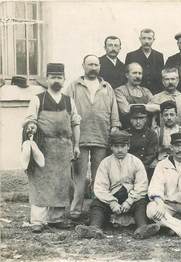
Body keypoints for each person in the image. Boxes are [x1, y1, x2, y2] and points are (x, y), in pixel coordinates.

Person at [24, 63, 81, 233]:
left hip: (64, 147)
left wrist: (76, 145)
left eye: (59, 77)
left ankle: (56, 219)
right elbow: (30, 119)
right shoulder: (38, 99)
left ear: (64, 80)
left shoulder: (68, 101)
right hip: (43, 147)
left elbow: (76, 123)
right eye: (53, 77)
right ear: (47, 79)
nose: (56, 80)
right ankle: (38, 220)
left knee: (62, 183)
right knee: (40, 183)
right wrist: (31, 126)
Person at [75, 130, 160, 239]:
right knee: (97, 204)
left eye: (123, 146)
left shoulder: (136, 162)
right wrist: (111, 202)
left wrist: (129, 201)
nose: (119, 150)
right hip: (112, 197)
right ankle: (94, 228)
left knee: (142, 202)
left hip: (131, 197)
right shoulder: (105, 163)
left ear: (128, 146)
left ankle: (143, 228)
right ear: (111, 147)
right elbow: (100, 187)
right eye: (116, 146)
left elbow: (141, 185)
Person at [66, 54, 121, 220]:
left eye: (96, 65)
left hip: (101, 136)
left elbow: (114, 110)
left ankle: (97, 212)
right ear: (83, 66)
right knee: (79, 177)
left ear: (99, 67)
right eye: (90, 64)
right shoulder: (74, 86)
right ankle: (75, 211)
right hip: (80, 138)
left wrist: (115, 126)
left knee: (100, 178)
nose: (93, 67)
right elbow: (67, 109)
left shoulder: (106, 86)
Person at [125, 28, 164, 95]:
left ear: (153, 40)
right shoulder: (131, 56)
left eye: (149, 38)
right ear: (140, 39)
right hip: (136, 93)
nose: (146, 41)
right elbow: (127, 77)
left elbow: (161, 77)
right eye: (144, 38)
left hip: (156, 93)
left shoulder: (159, 56)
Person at [114, 62, 153, 128]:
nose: (137, 76)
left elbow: (157, 107)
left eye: (140, 73)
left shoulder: (146, 91)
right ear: (127, 75)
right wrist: (147, 107)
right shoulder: (120, 91)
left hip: (146, 131)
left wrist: (132, 106)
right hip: (127, 131)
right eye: (134, 73)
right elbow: (125, 109)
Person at [127, 105, 158, 180]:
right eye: (135, 118)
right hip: (128, 168)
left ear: (146, 119)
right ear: (130, 119)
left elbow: (151, 154)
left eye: (141, 118)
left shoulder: (151, 134)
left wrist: (140, 169)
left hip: (145, 168)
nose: (138, 122)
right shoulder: (126, 134)